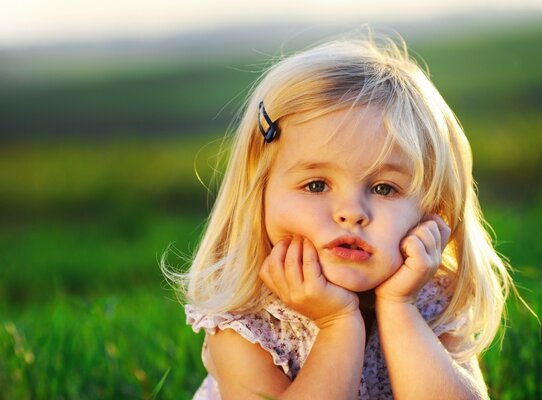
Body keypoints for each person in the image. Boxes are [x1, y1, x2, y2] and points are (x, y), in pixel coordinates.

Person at [167, 32, 513, 399]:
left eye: (384, 189)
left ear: (432, 212)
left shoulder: (431, 298)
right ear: (259, 192)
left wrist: (400, 307)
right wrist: (338, 324)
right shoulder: (246, 323)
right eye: (316, 185)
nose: (351, 213)